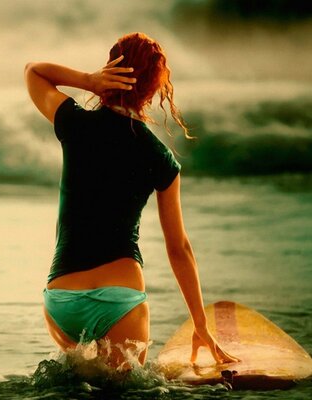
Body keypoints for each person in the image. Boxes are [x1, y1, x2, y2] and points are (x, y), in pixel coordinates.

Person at [24, 32, 239, 368]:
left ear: (112, 68)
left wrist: (88, 81)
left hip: (61, 300)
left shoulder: (74, 122)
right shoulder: (160, 157)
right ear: (153, 88)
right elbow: (178, 248)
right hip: (120, 302)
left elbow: (33, 71)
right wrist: (200, 325)